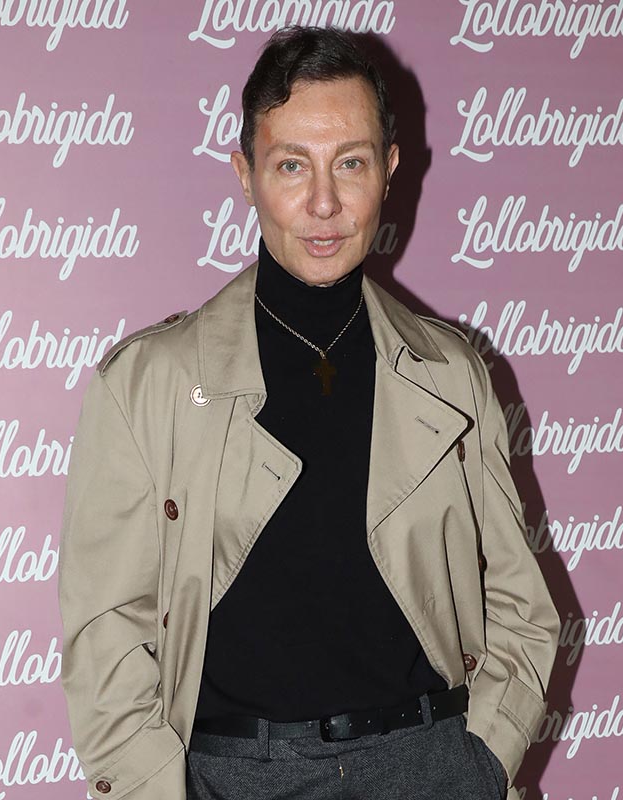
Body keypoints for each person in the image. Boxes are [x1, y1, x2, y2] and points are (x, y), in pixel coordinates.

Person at [58, 26, 559, 800]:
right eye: (292, 165)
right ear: (246, 175)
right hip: (235, 779)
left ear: (389, 170)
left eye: (350, 163)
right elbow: (105, 631)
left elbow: (522, 605)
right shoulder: (149, 385)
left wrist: (482, 761)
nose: (324, 203)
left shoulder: (451, 374)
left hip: (432, 770)